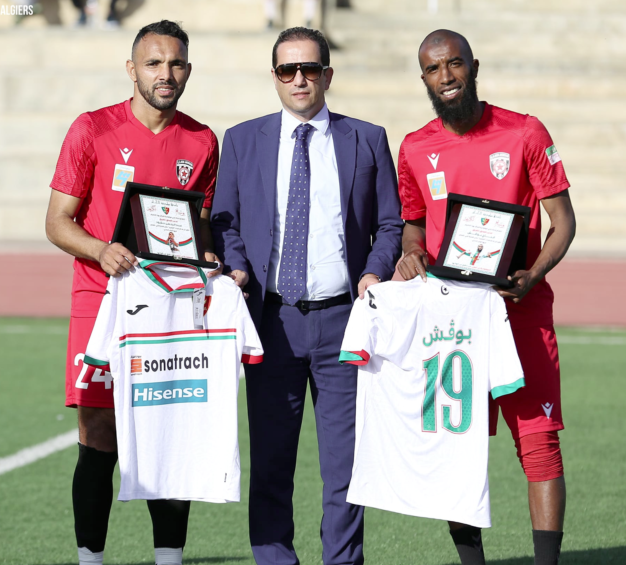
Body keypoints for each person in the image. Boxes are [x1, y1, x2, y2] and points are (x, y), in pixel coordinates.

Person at [211, 26, 402, 565]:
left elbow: (390, 224)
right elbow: (224, 222)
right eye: (287, 70)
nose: (299, 79)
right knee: (272, 464)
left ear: (328, 75)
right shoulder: (242, 140)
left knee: (345, 469)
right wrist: (238, 264)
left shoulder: (367, 138)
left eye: (310, 69)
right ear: (274, 76)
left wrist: (375, 271)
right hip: (272, 322)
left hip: (344, 320)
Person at [396, 29, 575, 565]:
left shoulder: (524, 132)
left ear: (474, 67)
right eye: (433, 69)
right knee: (456, 449)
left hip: (520, 310)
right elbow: (412, 225)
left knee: (539, 443)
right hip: (450, 318)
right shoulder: (414, 147)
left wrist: (533, 274)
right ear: (423, 78)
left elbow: (563, 221)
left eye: (454, 64)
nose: (446, 77)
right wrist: (412, 253)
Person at [45, 20, 220, 565]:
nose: (165, 73)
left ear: (188, 70)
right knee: (99, 431)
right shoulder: (92, 128)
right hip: (100, 302)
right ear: (132, 69)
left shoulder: (202, 140)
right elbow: (57, 222)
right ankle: (90, 559)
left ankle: (169, 559)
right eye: (153, 63)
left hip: (168, 310)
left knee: (168, 430)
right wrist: (101, 250)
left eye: (176, 63)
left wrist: (209, 258)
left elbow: (200, 228)